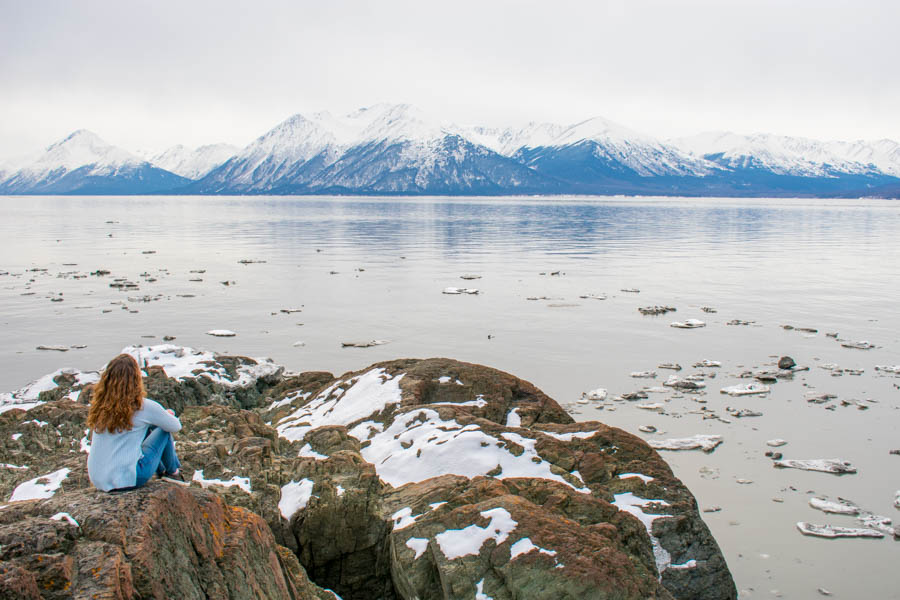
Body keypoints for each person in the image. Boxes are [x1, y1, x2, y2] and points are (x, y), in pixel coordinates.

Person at [86, 353, 184, 492]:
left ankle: (165, 471)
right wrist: (167, 414)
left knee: (147, 429)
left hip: (99, 480)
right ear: (136, 380)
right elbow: (175, 426)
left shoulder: (100, 407)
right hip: (128, 479)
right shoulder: (143, 406)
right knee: (163, 431)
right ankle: (173, 473)